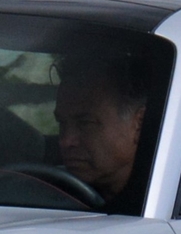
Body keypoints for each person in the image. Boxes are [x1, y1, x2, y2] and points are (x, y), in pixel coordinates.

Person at [54, 53, 150, 209]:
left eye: (86, 123)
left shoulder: (163, 202)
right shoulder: (43, 191)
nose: (66, 141)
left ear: (139, 125)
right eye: (61, 123)